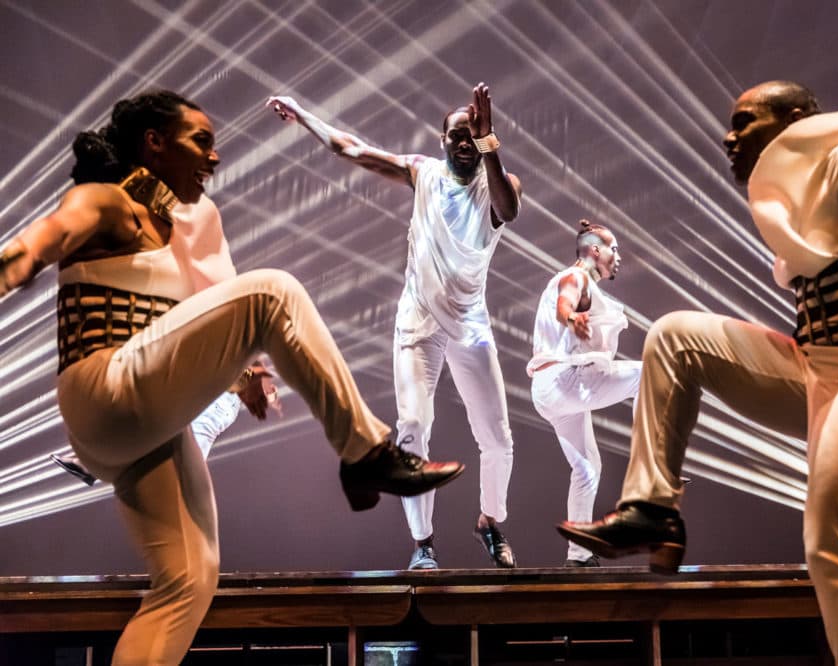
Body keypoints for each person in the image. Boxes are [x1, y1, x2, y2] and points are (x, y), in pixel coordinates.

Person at [0, 89, 464, 665]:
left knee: (190, 580)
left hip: (139, 428)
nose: (215, 159)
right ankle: (367, 452)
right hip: (106, 388)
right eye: (200, 143)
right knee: (274, 290)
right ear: (154, 143)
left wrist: (248, 373)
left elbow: (215, 295)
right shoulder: (103, 202)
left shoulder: (188, 222)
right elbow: (26, 252)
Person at [557, 80, 838, 665]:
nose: (729, 136)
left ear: (793, 120)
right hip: (819, 367)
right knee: (673, 336)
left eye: (745, 123)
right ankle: (653, 512)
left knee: (831, 546)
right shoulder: (797, 197)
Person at [267, 82, 523, 570]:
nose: (465, 142)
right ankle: (423, 544)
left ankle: (490, 522)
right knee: (412, 426)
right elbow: (353, 149)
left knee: (497, 437)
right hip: (420, 322)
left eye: (474, 135)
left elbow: (508, 212)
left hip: (470, 323)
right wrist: (302, 114)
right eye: (458, 135)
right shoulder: (422, 172)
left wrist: (491, 143)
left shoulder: (499, 182)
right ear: (441, 140)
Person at [49, 194, 273, 486]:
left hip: (218, 397)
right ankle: (99, 463)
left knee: (191, 442)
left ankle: (177, 492)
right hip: (198, 386)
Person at [527, 220, 640, 567]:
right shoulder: (575, 277)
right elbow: (566, 302)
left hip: (552, 392)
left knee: (588, 468)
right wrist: (571, 317)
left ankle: (578, 555)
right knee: (650, 373)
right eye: (613, 248)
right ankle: (652, 467)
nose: (618, 256)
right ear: (594, 251)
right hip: (565, 380)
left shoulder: (579, 279)